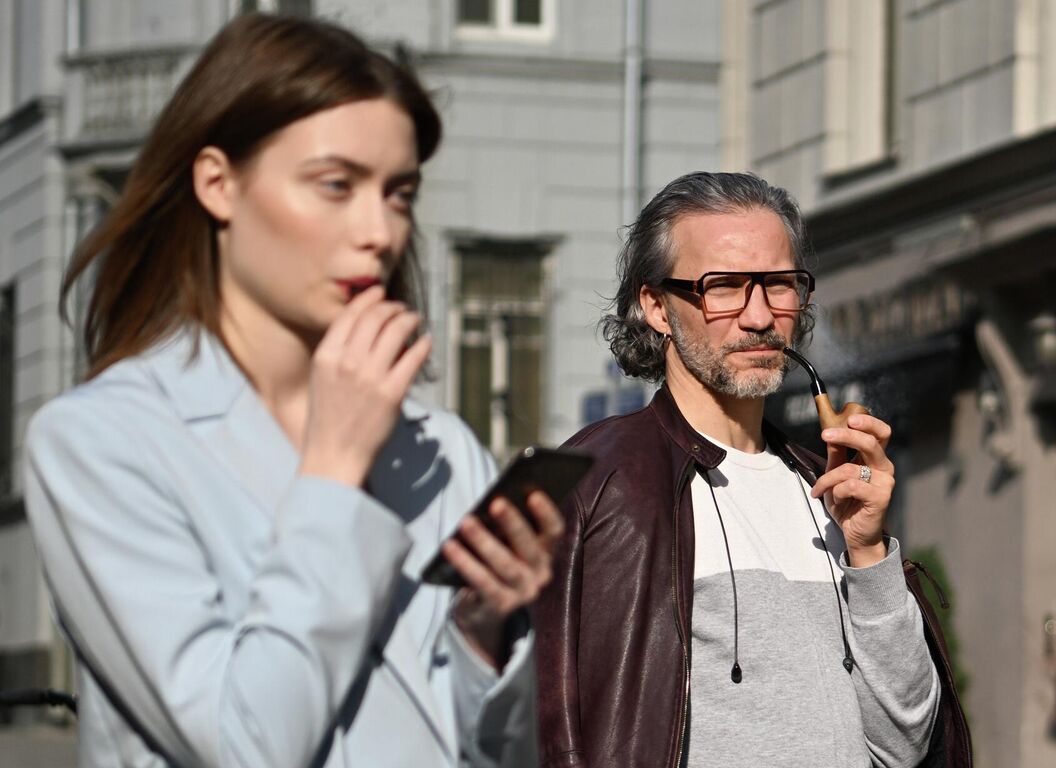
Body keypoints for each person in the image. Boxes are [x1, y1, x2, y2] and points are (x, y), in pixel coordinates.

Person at [23, 14, 554, 766]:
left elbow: (499, 754)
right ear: (219, 184)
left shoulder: (439, 447)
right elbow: (244, 748)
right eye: (335, 185)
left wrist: (482, 636)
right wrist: (334, 475)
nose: (379, 230)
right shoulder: (99, 443)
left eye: (398, 193)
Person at [532, 172, 970, 767]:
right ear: (656, 306)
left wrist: (868, 553)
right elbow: (540, 726)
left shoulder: (827, 490)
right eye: (725, 287)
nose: (760, 315)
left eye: (779, 285)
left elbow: (904, 744)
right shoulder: (599, 483)